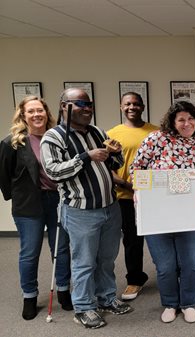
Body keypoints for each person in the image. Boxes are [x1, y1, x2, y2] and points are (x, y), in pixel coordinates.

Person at [41, 88, 131, 329]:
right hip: (81, 211)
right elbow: (53, 172)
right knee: (84, 262)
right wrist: (86, 156)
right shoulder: (54, 136)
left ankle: (107, 298)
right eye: (81, 103)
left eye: (89, 103)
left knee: (107, 259)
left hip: (110, 207)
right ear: (65, 106)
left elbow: (112, 164)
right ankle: (83, 307)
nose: (88, 107)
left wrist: (116, 154)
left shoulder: (97, 132)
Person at [131, 101, 195, 323]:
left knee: (191, 263)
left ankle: (188, 303)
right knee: (165, 265)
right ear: (173, 122)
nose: (187, 123)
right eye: (181, 120)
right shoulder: (156, 140)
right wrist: (140, 190)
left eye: (191, 119)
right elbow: (136, 170)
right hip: (158, 216)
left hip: (189, 215)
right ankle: (169, 303)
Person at [0, 96, 72, 320]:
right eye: (30, 111)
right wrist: (15, 197)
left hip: (57, 201)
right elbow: (3, 175)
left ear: (46, 112)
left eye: (40, 110)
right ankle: (29, 296)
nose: (36, 115)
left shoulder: (57, 137)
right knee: (29, 253)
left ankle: (63, 291)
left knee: (60, 250)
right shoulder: (12, 142)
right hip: (28, 205)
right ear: (23, 115)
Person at [107, 92, 158, 301]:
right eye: (128, 104)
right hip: (126, 197)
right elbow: (106, 167)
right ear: (121, 107)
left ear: (143, 106)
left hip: (153, 196)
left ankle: (170, 274)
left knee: (160, 238)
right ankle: (135, 280)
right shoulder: (111, 134)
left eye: (136, 104)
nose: (132, 107)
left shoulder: (156, 132)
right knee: (132, 241)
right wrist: (124, 183)